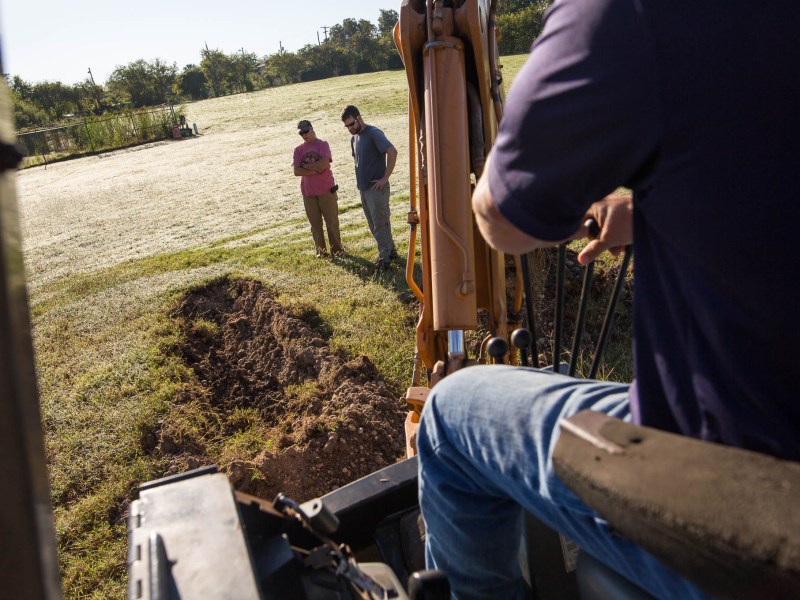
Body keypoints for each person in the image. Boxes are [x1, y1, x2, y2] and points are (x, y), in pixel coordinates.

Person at [417, 0, 800, 599]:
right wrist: (651, 209)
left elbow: (503, 219)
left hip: (752, 506)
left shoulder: (633, 15)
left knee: (449, 413)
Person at [340, 105, 398, 270]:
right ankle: (391, 251)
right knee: (374, 223)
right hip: (364, 189)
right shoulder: (355, 138)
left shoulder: (373, 133)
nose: (350, 128)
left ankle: (385, 259)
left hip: (376, 189)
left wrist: (385, 178)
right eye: (347, 126)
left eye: (352, 124)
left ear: (359, 117)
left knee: (380, 223)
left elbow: (392, 152)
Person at [292, 119, 344, 259]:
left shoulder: (322, 144)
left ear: (312, 129)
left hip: (326, 189)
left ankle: (337, 251)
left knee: (332, 223)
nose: (304, 135)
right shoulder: (298, 150)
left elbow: (325, 164)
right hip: (308, 193)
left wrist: (305, 167)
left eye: (306, 131)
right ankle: (321, 252)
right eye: (301, 133)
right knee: (315, 225)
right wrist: (316, 169)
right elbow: (297, 171)